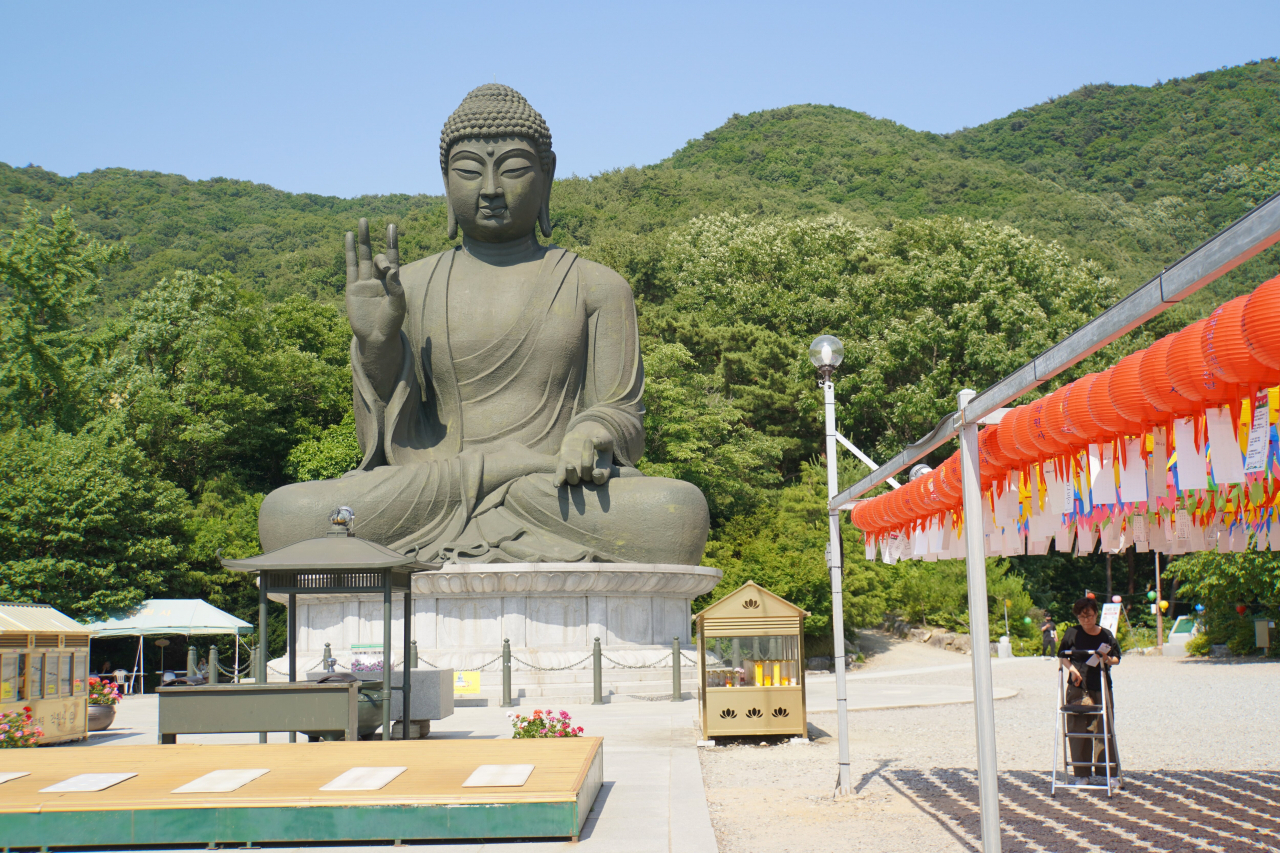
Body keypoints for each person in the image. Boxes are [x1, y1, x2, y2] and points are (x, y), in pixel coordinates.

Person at [257, 84, 709, 565]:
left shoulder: (595, 285)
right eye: (469, 171)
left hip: (551, 486)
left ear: (547, 174)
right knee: (289, 513)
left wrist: (592, 432)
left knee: (673, 511)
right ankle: (499, 476)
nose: (491, 189)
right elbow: (388, 436)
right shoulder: (409, 285)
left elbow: (622, 415)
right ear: (445, 180)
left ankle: (506, 484)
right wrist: (376, 344)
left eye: (513, 169)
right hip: (438, 482)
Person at [1057, 597, 1121, 784]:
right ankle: (1081, 774)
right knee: (1078, 729)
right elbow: (1062, 656)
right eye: (1082, 617)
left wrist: (1107, 660)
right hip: (1077, 686)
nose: (1086, 620)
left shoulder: (1106, 635)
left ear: (1096, 614)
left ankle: (1108, 772)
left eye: (1090, 616)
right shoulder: (1072, 633)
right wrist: (1072, 669)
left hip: (1100, 685)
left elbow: (1117, 657)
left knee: (1104, 728)